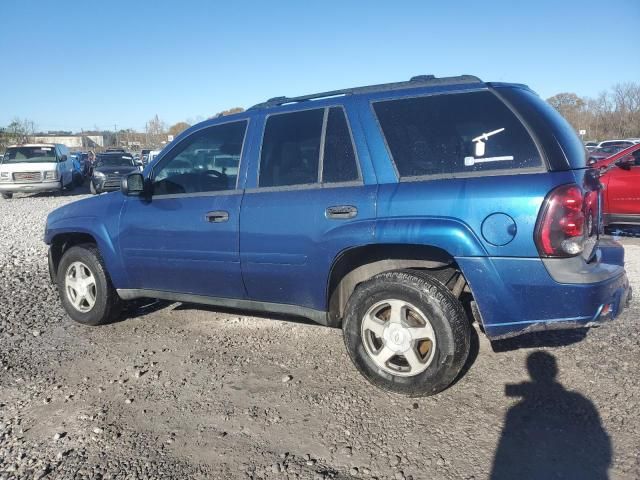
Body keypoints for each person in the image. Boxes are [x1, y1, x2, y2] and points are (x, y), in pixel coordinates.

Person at [491, 351, 611, 480]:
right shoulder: (579, 401)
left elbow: (504, 450)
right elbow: (601, 440)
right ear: (555, 371)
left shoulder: (516, 410)